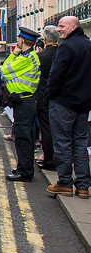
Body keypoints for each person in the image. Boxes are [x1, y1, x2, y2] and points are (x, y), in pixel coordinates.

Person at [45, 16, 91, 198]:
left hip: (64, 102)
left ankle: (64, 182)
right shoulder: (88, 45)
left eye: (62, 26)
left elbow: (56, 75)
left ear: (73, 27)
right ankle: (83, 186)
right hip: (84, 103)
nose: (59, 29)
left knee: (62, 142)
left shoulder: (66, 47)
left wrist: (49, 96)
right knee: (81, 142)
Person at [2, 26, 41, 182]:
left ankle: (25, 171)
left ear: (22, 40)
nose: (17, 40)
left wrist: (13, 54)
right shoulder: (24, 56)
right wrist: (13, 54)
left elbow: (4, 71)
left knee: (23, 138)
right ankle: (23, 168)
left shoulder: (27, 58)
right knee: (22, 136)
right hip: (22, 101)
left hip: (25, 101)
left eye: (19, 38)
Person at [35, 25, 59, 171]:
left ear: (44, 39)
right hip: (60, 98)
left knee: (46, 130)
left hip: (43, 97)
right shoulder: (62, 54)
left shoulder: (40, 57)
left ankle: (49, 159)